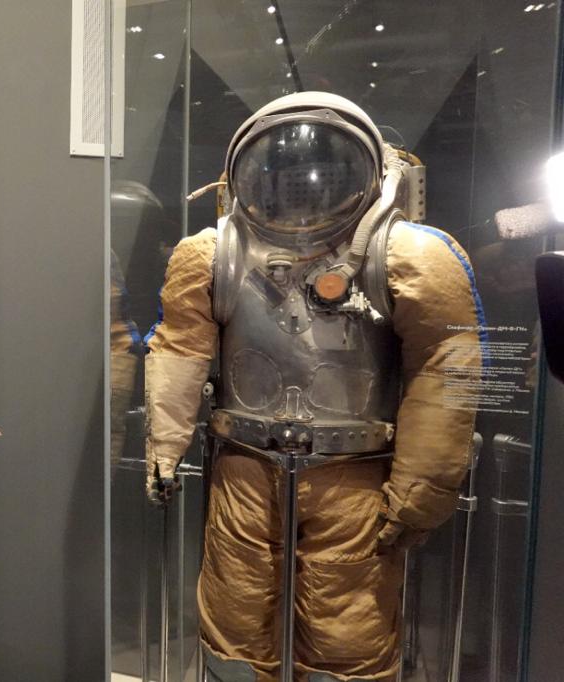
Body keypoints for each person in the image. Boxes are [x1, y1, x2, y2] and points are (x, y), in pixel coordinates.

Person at [144, 92, 481, 681]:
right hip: (245, 467)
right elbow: (180, 350)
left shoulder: (409, 254)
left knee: (347, 624)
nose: (306, 186)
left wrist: (421, 490)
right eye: (285, 172)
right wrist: (164, 451)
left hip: (355, 477)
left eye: (324, 170)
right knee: (236, 612)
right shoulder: (213, 254)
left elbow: (445, 368)